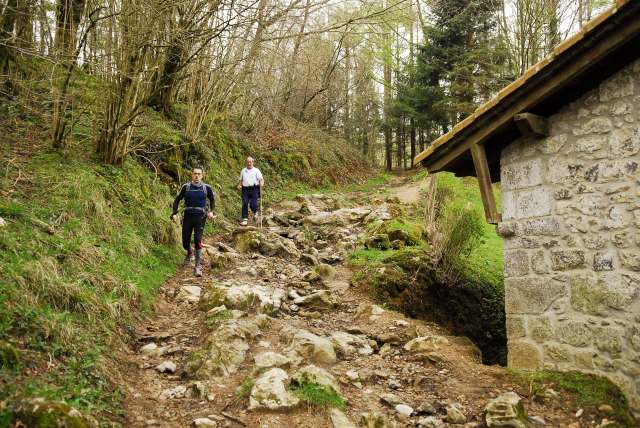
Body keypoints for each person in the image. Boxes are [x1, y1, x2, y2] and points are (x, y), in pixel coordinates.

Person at [171, 166, 215, 277]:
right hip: (188, 216)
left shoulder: (207, 188)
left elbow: (212, 200)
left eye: (199, 174)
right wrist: (174, 213)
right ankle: (190, 252)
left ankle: (197, 267)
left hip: (200, 217)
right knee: (185, 243)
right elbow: (177, 200)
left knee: (197, 240)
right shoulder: (186, 187)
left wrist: (211, 212)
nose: (197, 176)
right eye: (195, 173)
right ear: (192, 174)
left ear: (202, 175)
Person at [237, 157, 264, 226]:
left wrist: (261, 183)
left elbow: (261, 179)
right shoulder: (243, 170)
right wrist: (239, 185)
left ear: (252, 162)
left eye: (250, 162)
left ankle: (255, 212)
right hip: (245, 189)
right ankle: (245, 219)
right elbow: (241, 180)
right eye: (248, 162)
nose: (249, 163)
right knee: (244, 203)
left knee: (253, 204)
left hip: (254, 189)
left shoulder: (256, 170)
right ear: (246, 162)